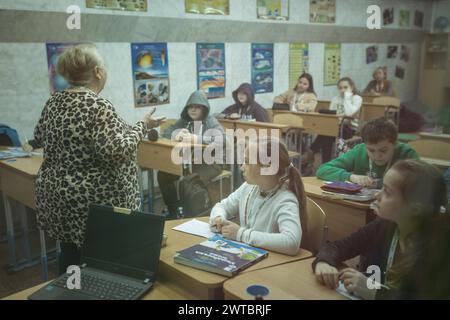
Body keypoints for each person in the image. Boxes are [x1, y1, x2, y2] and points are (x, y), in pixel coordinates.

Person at [33, 43, 165, 274]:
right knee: (103, 262)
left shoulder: (54, 101)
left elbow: (39, 137)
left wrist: (138, 126)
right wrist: (143, 126)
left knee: (71, 254)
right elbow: (117, 151)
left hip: (60, 198)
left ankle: (71, 291)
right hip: (92, 203)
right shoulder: (97, 105)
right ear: (97, 72)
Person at [312, 159, 450, 299]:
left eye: (387, 192)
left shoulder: (439, 249)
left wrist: (374, 292)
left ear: (415, 209)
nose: (377, 195)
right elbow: (337, 246)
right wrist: (324, 262)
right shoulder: (384, 225)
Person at [209, 137, 307, 255]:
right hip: (246, 255)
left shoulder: (285, 200)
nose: (242, 167)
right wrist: (218, 218)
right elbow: (222, 206)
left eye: (247, 162)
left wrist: (241, 234)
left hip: (270, 265)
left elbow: (291, 242)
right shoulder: (248, 187)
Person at [157, 90, 225, 219]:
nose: (193, 110)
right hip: (192, 160)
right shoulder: (185, 120)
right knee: (164, 174)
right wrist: (175, 134)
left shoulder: (211, 121)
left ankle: (191, 216)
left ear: (204, 108)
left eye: (197, 107)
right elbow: (166, 132)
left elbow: (223, 139)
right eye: (190, 107)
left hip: (212, 162)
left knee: (189, 181)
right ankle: (173, 211)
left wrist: (197, 138)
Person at [316, 117, 419, 188]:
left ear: (394, 144)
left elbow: (415, 181)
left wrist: (377, 184)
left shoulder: (407, 154)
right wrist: (351, 177)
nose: (377, 156)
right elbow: (323, 170)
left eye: (383, 150)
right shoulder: (360, 150)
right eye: (371, 150)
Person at [310, 77, 363, 165]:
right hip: (336, 126)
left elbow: (349, 113)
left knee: (327, 133)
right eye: (340, 88)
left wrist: (347, 97)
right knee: (327, 135)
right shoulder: (335, 98)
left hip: (349, 128)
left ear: (352, 87)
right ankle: (325, 163)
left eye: (345, 87)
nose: (342, 90)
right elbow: (332, 115)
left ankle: (312, 152)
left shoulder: (357, 98)